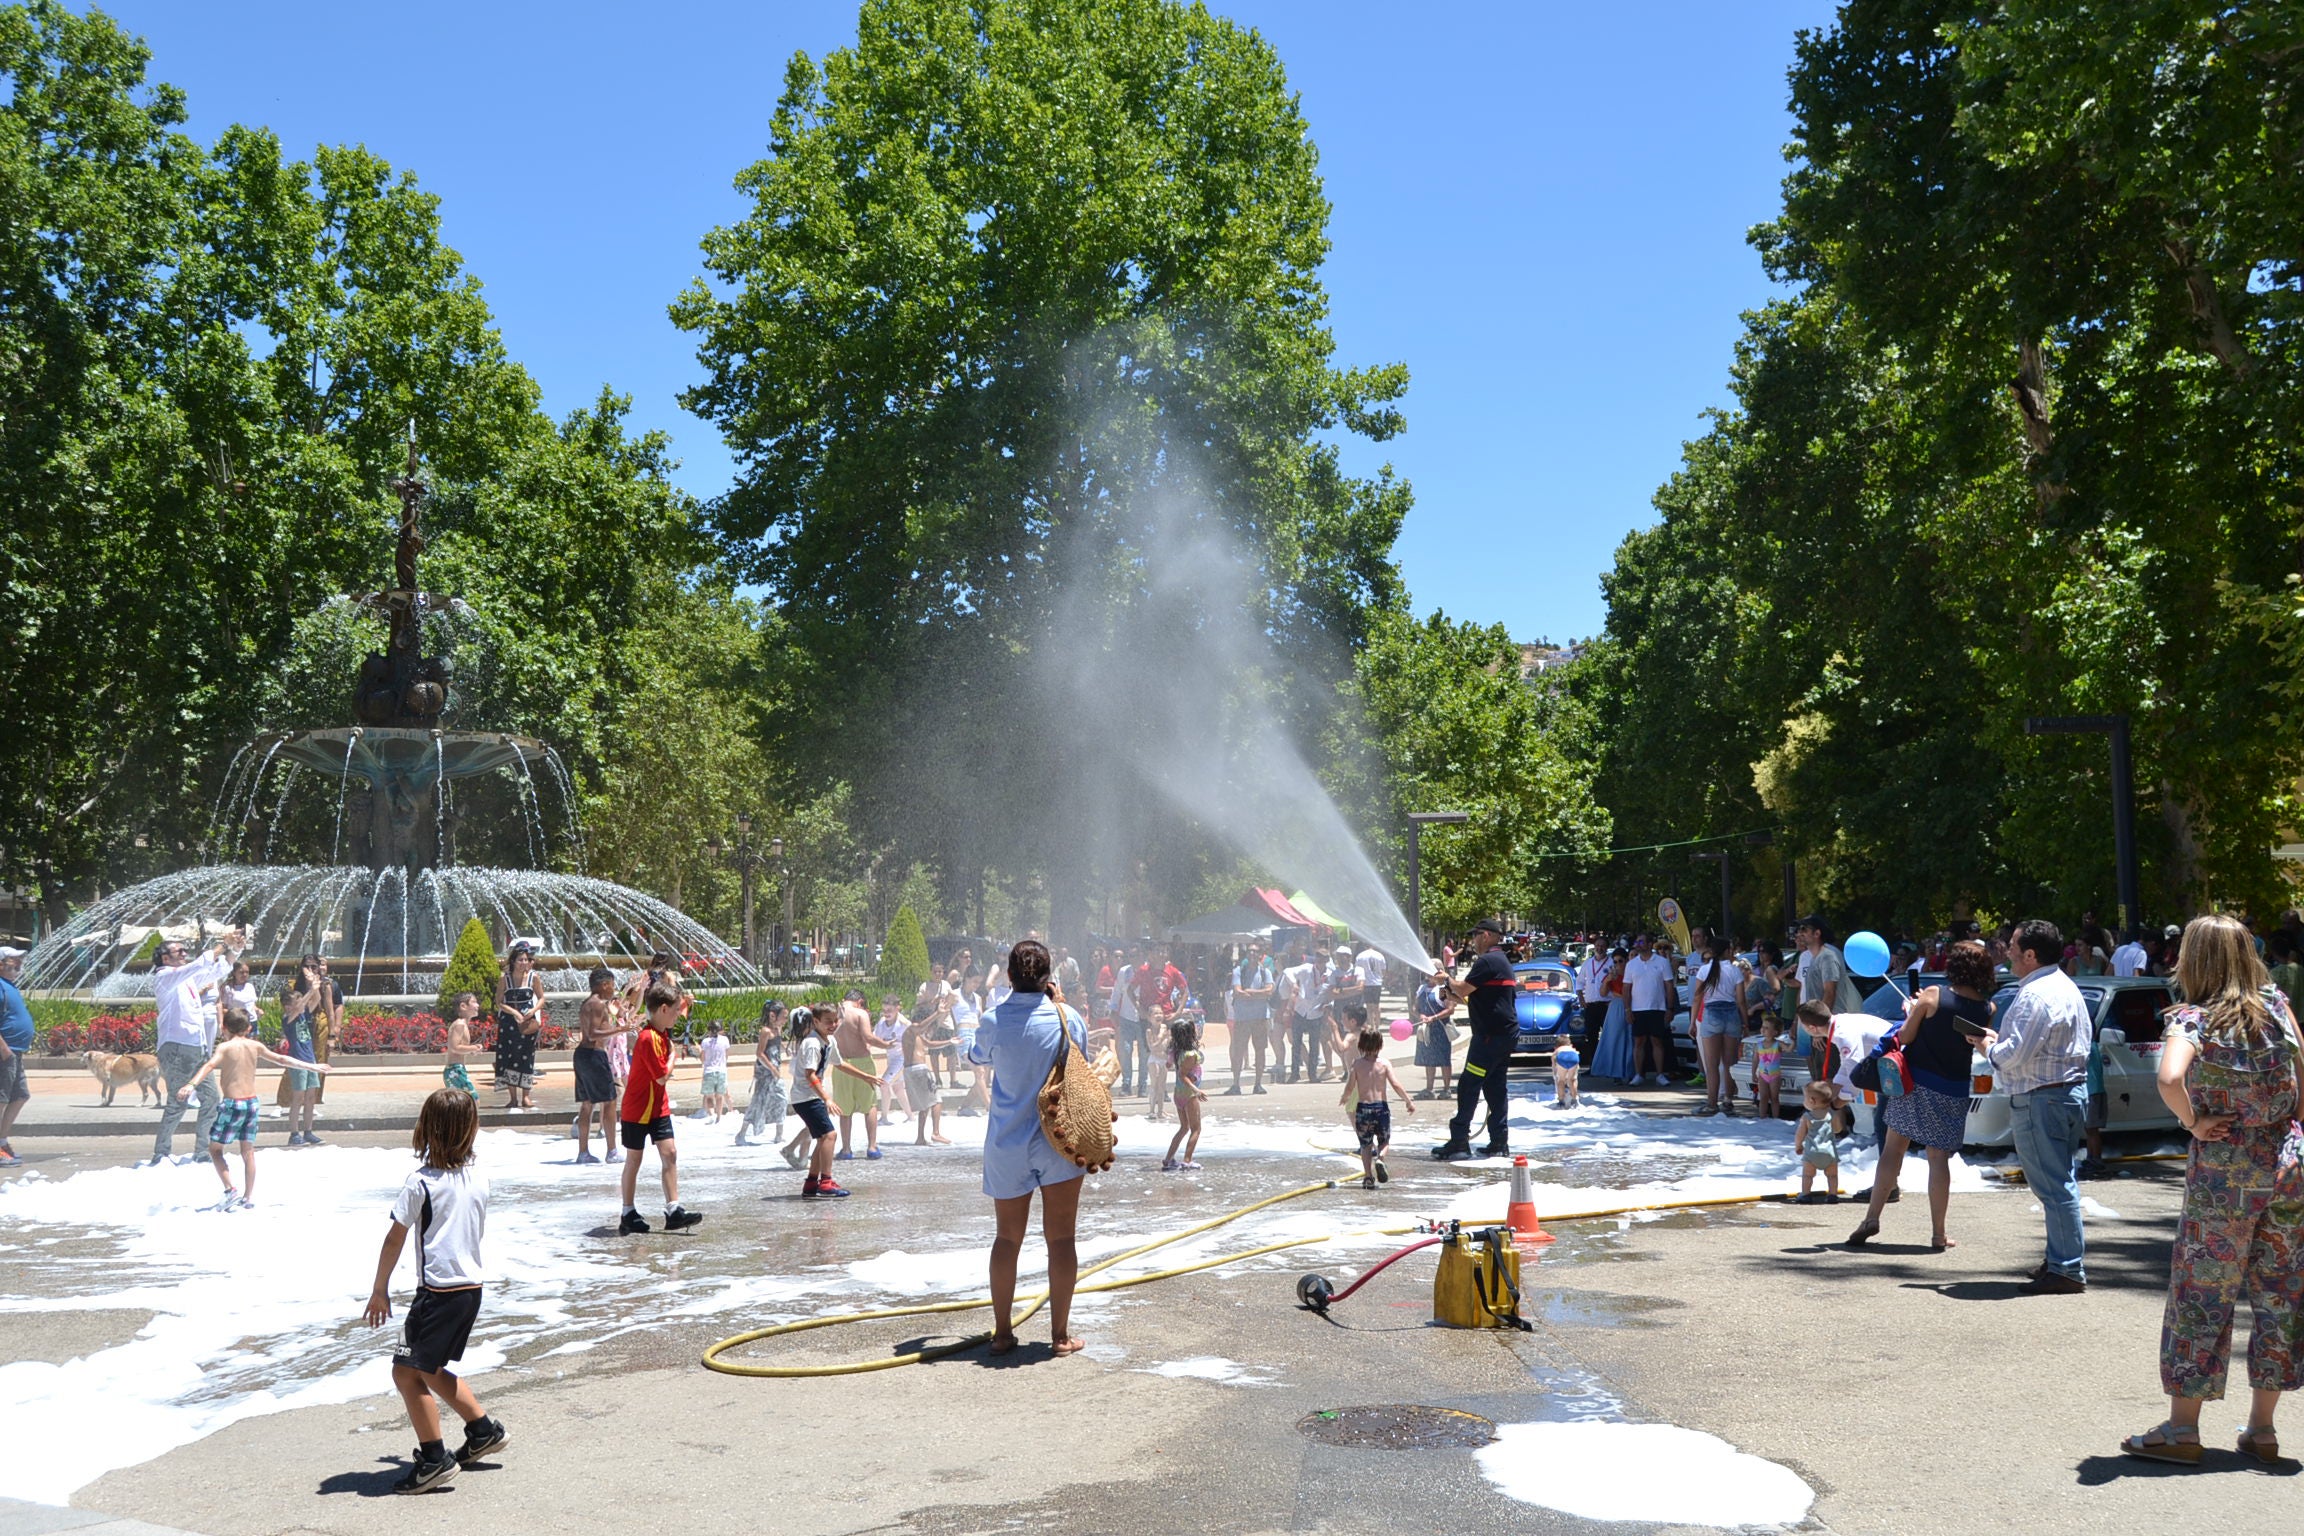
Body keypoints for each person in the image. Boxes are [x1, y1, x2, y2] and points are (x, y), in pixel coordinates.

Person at [2121, 912, 2304, 1466]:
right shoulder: (2277, 1008)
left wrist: (2194, 1122)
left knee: (2201, 1293)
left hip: (2224, 1173)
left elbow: (2170, 1078)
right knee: (2280, 1294)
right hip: (2287, 1164)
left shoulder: (2193, 1019)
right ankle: (2262, 1429)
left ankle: (2182, 1431)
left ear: (2194, 959)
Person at [360, 1088, 508, 1495]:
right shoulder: (479, 1177)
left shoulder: (420, 1183)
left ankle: (434, 1459)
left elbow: (394, 1239)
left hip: (437, 1293)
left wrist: (379, 1290)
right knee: (432, 1367)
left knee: (406, 1373)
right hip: (470, 1289)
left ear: (426, 1129)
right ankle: (482, 1431)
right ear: (470, 1131)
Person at [969, 940, 1087, 1356]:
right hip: (1060, 1139)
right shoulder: (1067, 1017)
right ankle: (1059, 1336)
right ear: (1049, 977)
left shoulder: (992, 1020)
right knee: (1061, 1240)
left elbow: (977, 1056)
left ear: (1009, 977)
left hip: (1007, 1142)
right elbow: (1081, 1064)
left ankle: (1002, 1333)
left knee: (1007, 1239)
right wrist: (1059, 1005)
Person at [1848, 938, 1993, 1251]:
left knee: (1893, 1149)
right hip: (1953, 1088)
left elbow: (1905, 1035)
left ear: (1954, 966)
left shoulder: (1933, 995)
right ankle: (1938, 1234)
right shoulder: (1987, 1008)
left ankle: (1872, 1217)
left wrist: (1912, 1011)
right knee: (1938, 1159)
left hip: (1915, 1084)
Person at [1977, 918, 2094, 1294]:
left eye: (2012, 945)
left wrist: (1985, 1045)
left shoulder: (2035, 994)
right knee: (2060, 1182)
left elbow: (2011, 1057)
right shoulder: (2064, 985)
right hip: (2066, 1094)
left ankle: (2065, 1268)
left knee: (2054, 1186)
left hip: (2042, 1099)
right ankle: (2060, 1259)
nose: (2007, 951)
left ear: (2030, 954)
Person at [176, 1008, 330, 1208]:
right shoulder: (255, 1046)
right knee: (248, 1152)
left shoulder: (224, 1047)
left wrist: (191, 1085)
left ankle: (230, 1189)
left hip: (232, 1104)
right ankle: (248, 1197)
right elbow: (282, 1059)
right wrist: (313, 1066)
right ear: (248, 1028)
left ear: (224, 1028)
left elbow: (209, 1066)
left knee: (215, 1150)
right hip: (251, 1104)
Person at [151, 931, 245, 1166]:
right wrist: (223, 944)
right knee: (178, 1101)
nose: (184, 954)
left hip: (197, 1048)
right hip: (176, 1047)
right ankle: (161, 1153)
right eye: (179, 951)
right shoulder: (164, 977)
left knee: (212, 1099)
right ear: (165, 958)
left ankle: (203, 1151)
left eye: (185, 950)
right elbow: (197, 965)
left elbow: (215, 971)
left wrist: (234, 950)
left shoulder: (186, 979)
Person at [616, 981, 702, 1235]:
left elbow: (678, 1008)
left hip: (658, 1107)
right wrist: (674, 1054)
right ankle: (627, 1211)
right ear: (664, 1009)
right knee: (634, 1159)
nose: (678, 1014)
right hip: (637, 1108)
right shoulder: (648, 1038)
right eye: (675, 1010)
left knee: (670, 1153)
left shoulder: (660, 1030)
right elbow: (663, 1076)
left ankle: (673, 1209)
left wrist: (685, 1003)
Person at [1432, 918, 1517, 1161]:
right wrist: (1451, 994)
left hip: (1490, 1036)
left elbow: (1464, 988)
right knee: (1494, 1087)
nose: (1473, 941)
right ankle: (1499, 1142)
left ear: (1488, 935)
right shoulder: (1499, 961)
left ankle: (1459, 1141)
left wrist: (1446, 980)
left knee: (1469, 1084)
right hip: (1502, 1034)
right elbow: (1476, 998)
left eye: (1476, 935)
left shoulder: (1488, 960)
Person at [789, 1007, 857, 1197]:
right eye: (828, 1021)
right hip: (806, 1097)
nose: (833, 1025)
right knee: (830, 1135)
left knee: (822, 1138)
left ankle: (811, 1183)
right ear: (816, 1021)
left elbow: (840, 1064)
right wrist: (826, 1098)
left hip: (811, 1096)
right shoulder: (812, 1043)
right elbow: (809, 1074)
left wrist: (866, 1077)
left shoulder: (829, 1040)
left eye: (835, 1021)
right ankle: (825, 1182)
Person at [1343, 1023, 1414, 1188]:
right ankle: (1381, 1159)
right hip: (1381, 1108)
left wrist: (1345, 1097)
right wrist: (1408, 1101)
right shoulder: (1384, 1064)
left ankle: (1368, 1177)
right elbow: (1396, 1084)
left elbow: (1350, 1085)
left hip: (1363, 1109)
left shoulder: (1357, 1064)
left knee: (1366, 1145)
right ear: (1380, 1045)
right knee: (1384, 1141)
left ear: (1361, 1045)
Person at [1692, 935, 1748, 1115]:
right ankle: (1728, 1100)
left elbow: (1697, 998)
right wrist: (1745, 1023)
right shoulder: (1735, 971)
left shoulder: (1704, 970)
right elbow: (1741, 1001)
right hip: (1731, 1014)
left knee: (1712, 1064)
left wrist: (1693, 1022)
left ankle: (1711, 1103)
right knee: (1729, 1062)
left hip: (1711, 1014)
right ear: (1726, 951)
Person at [571, 968, 620, 1163]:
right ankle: (612, 1151)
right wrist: (621, 1029)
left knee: (587, 1103)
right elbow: (592, 1034)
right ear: (605, 984)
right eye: (613, 985)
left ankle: (583, 1152)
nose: (613, 989)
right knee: (609, 1101)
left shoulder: (588, 1003)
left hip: (583, 1055)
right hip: (593, 1055)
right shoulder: (597, 1004)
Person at [277, 958, 326, 1146]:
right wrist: (310, 991)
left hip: (310, 1059)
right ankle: (293, 1133)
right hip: (297, 1061)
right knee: (298, 1098)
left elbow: (317, 1000)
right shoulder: (287, 1018)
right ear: (287, 1006)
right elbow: (300, 1006)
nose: (300, 1005)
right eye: (296, 1002)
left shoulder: (303, 1015)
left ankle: (308, 1131)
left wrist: (315, 985)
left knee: (311, 1097)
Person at [830, 996, 885, 1159]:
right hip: (863, 1063)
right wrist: (886, 1045)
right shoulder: (860, 1013)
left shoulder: (835, 1013)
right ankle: (872, 1147)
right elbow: (868, 1037)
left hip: (842, 1064)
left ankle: (846, 1149)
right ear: (860, 1001)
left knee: (844, 1108)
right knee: (870, 1105)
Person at [492, 943, 544, 1113]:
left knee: (526, 1057)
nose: (524, 963)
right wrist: (513, 1012)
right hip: (509, 1023)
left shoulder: (533, 977)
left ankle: (526, 1096)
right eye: (520, 960)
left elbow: (542, 998)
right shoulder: (504, 979)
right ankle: (513, 1098)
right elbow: (499, 1001)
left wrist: (533, 1011)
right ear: (513, 961)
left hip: (527, 1023)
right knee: (508, 1056)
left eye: (526, 960)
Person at [735, 999, 790, 1150]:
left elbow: (777, 1045)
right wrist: (772, 1068)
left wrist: (786, 1049)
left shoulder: (777, 1030)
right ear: (773, 1016)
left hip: (775, 1073)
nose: (785, 1020)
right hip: (765, 1073)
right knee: (758, 1102)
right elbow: (759, 1053)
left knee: (781, 1099)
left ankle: (779, 1135)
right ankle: (742, 1133)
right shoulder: (765, 1031)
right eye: (783, 1017)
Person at [1622, 933, 1676, 1087]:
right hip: (1638, 1008)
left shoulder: (1662, 962)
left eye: (1641, 941)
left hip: (1657, 1007)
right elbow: (1626, 988)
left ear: (1650, 944)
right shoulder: (1631, 964)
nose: (1638, 944)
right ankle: (1639, 1074)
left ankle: (1660, 1074)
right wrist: (1627, 1009)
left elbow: (1669, 986)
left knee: (1657, 1041)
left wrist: (1670, 1008)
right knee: (1639, 1042)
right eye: (1637, 941)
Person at [1224, 942, 1274, 1095]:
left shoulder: (1266, 972)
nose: (1252, 955)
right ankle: (1236, 1084)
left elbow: (1269, 990)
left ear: (1260, 955)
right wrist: (1259, 993)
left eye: (1255, 952)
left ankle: (1257, 1084)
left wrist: (1250, 992)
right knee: (1239, 1050)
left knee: (1260, 1050)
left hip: (1260, 1017)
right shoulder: (1239, 971)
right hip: (1242, 1017)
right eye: (1250, 952)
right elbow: (1238, 991)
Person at [0, 946, 33, 1165]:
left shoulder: (9, 986)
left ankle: (1, 1141)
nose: (18, 965)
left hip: (15, 1051)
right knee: (1, 1098)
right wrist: (4, 1050)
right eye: (13, 961)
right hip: (5, 1052)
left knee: (20, 1095)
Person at [1162, 1015, 1207, 1171]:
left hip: (1178, 1093)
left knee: (1184, 1127)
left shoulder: (1175, 1051)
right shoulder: (1190, 1055)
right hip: (1188, 1094)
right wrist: (1196, 1089)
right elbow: (1182, 1075)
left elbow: (1168, 1065)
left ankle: (1168, 1160)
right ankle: (1187, 1160)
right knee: (1196, 1128)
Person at [1283, 947, 1330, 1084]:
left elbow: (1330, 991)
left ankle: (1312, 1074)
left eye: (1323, 958)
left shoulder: (1330, 974)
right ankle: (1294, 1073)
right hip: (1301, 1010)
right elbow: (1287, 971)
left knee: (1314, 1045)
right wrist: (1293, 984)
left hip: (1316, 1012)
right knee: (1296, 1044)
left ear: (1327, 960)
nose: (1320, 961)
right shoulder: (1306, 968)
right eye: (1318, 957)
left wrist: (1329, 1005)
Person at [903, 1009, 950, 1146]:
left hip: (913, 1070)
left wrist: (950, 1041)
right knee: (936, 1101)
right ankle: (936, 1133)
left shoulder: (917, 1035)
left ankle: (920, 1137)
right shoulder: (911, 1030)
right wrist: (937, 1013)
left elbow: (929, 1044)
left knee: (925, 1105)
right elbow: (919, 1026)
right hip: (919, 1070)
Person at [1793, 1081, 1841, 1202]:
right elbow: (1838, 1129)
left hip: (1811, 1153)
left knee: (1808, 1175)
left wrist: (1798, 1145)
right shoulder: (1831, 1115)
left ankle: (1805, 1195)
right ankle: (1832, 1195)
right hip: (1829, 1153)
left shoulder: (1807, 1117)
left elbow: (1800, 1134)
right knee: (1832, 1176)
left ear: (1812, 1101)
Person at [1412, 966, 1456, 1097]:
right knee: (1429, 1059)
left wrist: (1434, 1017)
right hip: (1427, 1029)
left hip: (1440, 1028)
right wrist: (1420, 1015)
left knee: (1444, 1059)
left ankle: (1446, 1089)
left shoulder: (1442, 989)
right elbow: (1415, 1007)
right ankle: (1429, 1088)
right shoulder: (1422, 989)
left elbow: (1450, 1009)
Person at [1575, 941, 1613, 1059]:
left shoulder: (1611, 963)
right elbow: (1579, 982)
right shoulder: (1587, 963)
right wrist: (1581, 998)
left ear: (1606, 948)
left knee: (1608, 1036)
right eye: (1597, 946)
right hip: (1590, 1005)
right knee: (1591, 1036)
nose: (1599, 948)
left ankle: (1608, 1063)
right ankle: (1593, 1065)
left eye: (1602, 946)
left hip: (1606, 1005)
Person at [442, 992, 480, 1095]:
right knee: (473, 1099)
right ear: (463, 1006)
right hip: (455, 1070)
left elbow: (458, 1049)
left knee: (463, 1102)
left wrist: (471, 1050)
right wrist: (473, 1047)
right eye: (474, 1002)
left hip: (456, 1070)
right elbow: (455, 1047)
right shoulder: (460, 1024)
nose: (478, 1005)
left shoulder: (463, 1025)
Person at [1752, 1015, 1785, 1120]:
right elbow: (1755, 1060)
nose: (1763, 1029)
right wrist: (1753, 1073)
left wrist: (1793, 1042)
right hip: (1762, 1074)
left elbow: (1788, 1048)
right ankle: (1762, 1117)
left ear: (1775, 1032)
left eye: (1767, 1027)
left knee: (1774, 1097)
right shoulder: (1758, 1045)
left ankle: (1776, 1118)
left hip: (1775, 1075)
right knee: (1763, 1097)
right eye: (1763, 1026)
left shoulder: (1778, 1044)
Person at [697, 1020, 731, 1122]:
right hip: (721, 1071)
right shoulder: (725, 1040)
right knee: (719, 1096)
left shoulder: (705, 1042)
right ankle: (719, 1117)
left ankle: (711, 1115)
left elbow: (702, 1058)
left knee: (709, 1096)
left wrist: (700, 1052)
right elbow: (727, 1055)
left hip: (709, 1071)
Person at [1550, 1040, 1580, 1109]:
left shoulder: (1557, 1050)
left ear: (1556, 1046)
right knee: (1572, 1080)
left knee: (1561, 1080)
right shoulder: (1572, 1049)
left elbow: (1554, 1067)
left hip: (1561, 1056)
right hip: (1574, 1056)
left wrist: (1555, 1075)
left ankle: (1561, 1101)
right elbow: (1577, 1067)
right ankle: (1574, 1100)